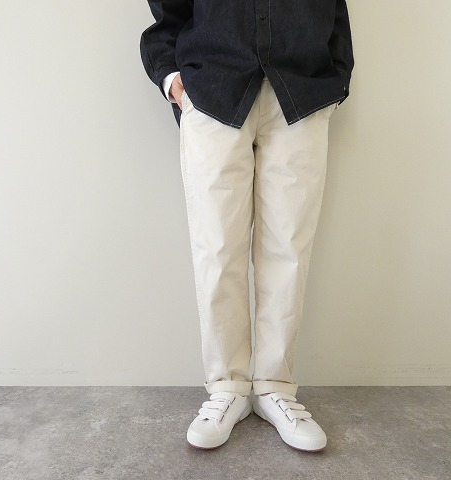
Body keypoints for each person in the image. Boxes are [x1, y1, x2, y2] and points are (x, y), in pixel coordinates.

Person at [140, 0, 354, 452]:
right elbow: (167, 12)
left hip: (302, 89)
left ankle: (275, 386)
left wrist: (336, 80)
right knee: (218, 248)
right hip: (212, 88)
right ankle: (228, 388)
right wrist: (173, 80)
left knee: (289, 248)